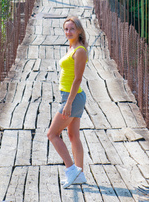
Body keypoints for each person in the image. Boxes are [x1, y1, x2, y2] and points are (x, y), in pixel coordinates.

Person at [47, 16, 88, 188]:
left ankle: (71, 169)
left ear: (79, 30)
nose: (68, 32)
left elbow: (78, 79)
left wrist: (68, 103)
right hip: (72, 96)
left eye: (71, 29)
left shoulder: (79, 51)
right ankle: (80, 175)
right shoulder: (72, 47)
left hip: (71, 97)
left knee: (52, 134)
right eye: (66, 29)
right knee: (73, 136)